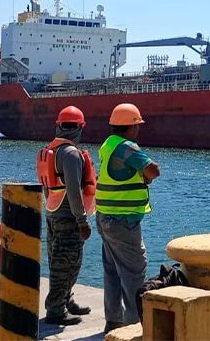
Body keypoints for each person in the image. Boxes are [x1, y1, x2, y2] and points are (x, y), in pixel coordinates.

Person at [96, 103, 161, 333]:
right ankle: (133, 326)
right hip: (122, 221)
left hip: (104, 217)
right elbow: (153, 171)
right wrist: (146, 174)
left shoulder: (108, 144)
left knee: (112, 270)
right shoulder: (127, 147)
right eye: (137, 125)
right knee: (134, 272)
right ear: (132, 127)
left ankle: (113, 323)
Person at [37, 106, 96, 325]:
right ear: (80, 128)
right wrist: (82, 220)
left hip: (52, 211)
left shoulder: (50, 149)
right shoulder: (71, 154)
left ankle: (65, 300)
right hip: (68, 217)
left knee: (58, 260)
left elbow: (48, 186)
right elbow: (73, 188)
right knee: (68, 263)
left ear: (59, 125)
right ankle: (56, 311)